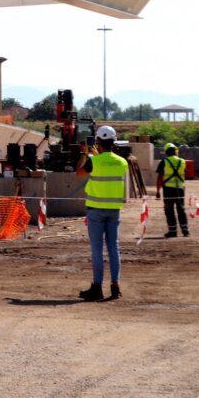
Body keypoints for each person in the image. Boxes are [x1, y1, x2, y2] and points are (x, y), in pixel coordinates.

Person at [76, 125, 129, 301]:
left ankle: (97, 287)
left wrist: (86, 154)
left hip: (96, 211)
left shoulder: (93, 161)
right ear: (114, 142)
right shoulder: (122, 162)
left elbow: (79, 173)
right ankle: (115, 286)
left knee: (97, 249)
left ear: (98, 142)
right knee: (114, 248)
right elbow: (109, 166)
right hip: (114, 211)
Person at [155, 142, 189, 238]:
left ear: (166, 152)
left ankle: (172, 231)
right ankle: (185, 231)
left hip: (168, 189)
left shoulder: (164, 161)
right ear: (176, 151)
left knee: (169, 210)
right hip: (180, 189)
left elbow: (159, 178)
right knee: (181, 209)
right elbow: (184, 173)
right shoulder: (182, 161)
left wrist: (157, 191)